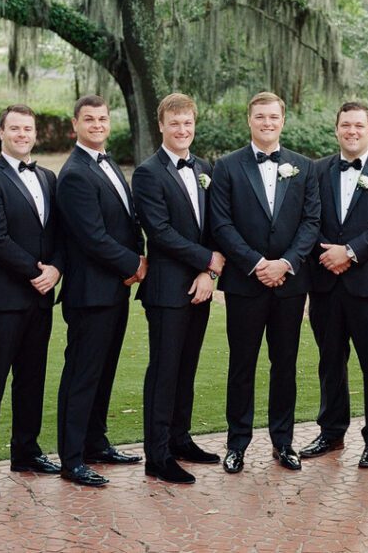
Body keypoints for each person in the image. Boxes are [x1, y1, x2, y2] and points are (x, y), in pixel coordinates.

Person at [210, 91, 320, 474]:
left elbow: (311, 222)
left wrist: (286, 263)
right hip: (245, 283)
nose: (267, 123)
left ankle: (283, 441)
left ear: (283, 120)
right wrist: (256, 263)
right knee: (242, 364)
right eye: (260, 117)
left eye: (273, 117)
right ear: (249, 120)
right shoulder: (226, 167)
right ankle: (237, 442)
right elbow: (220, 224)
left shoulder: (304, 167)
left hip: (289, 284)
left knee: (284, 363)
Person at [299, 102, 368, 469]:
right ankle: (331, 432)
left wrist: (350, 251)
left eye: (359, 125)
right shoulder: (315, 171)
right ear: (336, 129)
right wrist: (326, 253)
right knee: (330, 362)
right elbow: (306, 219)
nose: (352, 131)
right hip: (326, 284)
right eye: (346, 125)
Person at [0, 105, 64, 499]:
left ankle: (26, 451)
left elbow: (61, 232)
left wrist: (56, 268)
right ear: (1, 133)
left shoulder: (48, 177)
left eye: (28, 128)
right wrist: (36, 271)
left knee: (32, 379)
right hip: (4, 299)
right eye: (15, 128)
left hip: (41, 299)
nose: (22, 134)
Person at [132, 93, 226, 484]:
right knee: (165, 370)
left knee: (187, 367)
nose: (182, 130)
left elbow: (215, 225)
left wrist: (209, 275)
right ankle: (157, 455)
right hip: (168, 289)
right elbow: (161, 233)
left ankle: (180, 438)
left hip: (200, 287)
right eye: (175, 124)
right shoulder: (148, 173)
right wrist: (205, 260)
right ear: (161, 126)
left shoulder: (204, 167)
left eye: (187, 123)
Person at [56, 95, 146, 487]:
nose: (97, 124)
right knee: (82, 374)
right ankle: (72, 458)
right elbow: (92, 237)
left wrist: (136, 257)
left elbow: (125, 223)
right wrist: (134, 264)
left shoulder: (108, 163)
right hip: (90, 292)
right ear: (74, 124)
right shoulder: (75, 173)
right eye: (89, 119)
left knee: (104, 370)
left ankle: (96, 442)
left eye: (102, 118)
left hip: (114, 289)